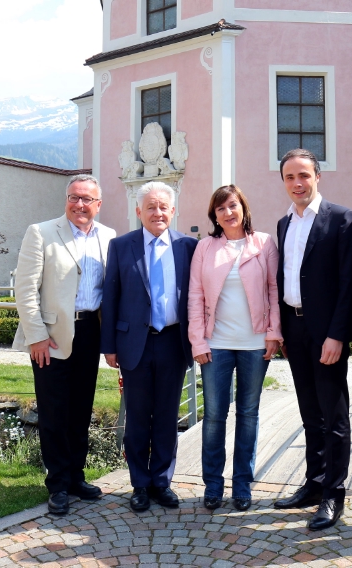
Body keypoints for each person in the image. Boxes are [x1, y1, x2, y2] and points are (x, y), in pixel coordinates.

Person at [13, 174, 115, 516]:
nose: (79, 204)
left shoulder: (108, 237)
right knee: (54, 411)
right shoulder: (41, 232)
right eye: (74, 197)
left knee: (81, 410)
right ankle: (57, 484)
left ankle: (75, 477)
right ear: (66, 199)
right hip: (51, 337)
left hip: (90, 333)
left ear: (98, 204)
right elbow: (25, 289)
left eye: (87, 199)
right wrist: (36, 336)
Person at [273, 149, 352, 530]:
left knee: (334, 416)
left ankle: (333, 494)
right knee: (310, 413)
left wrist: (336, 335)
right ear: (283, 181)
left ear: (317, 177)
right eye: (290, 177)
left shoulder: (342, 219)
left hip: (326, 333)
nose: (298, 183)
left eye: (304, 175)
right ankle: (313, 483)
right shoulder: (283, 224)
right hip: (294, 330)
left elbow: (348, 284)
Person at [101, 181, 197, 512]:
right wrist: (109, 345)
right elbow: (110, 297)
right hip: (134, 344)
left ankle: (162, 482)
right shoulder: (121, 245)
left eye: (163, 207)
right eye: (150, 207)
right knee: (138, 417)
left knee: (168, 416)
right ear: (138, 211)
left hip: (173, 341)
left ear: (173, 211)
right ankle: (140, 484)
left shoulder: (188, 246)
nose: (158, 213)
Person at [187, 185, 282, 512]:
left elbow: (274, 290)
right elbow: (195, 295)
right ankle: (213, 485)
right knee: (214, 415)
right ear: (214, 216)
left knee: (248, 414)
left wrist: (274, 332)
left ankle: (242, 485)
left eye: (232, 205)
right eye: (221, 209)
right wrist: (197, 340)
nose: (228, 213)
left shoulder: (264, 243)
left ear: (243, 208)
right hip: (216, 344)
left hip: (255, 343)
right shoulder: (205, 247)